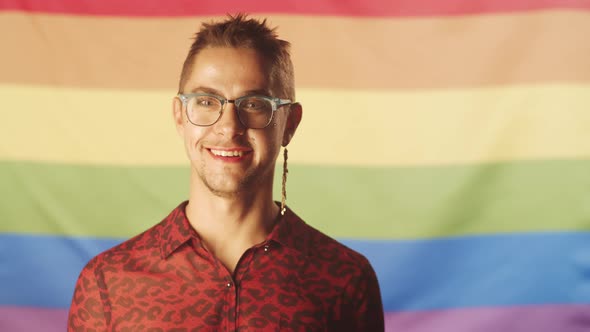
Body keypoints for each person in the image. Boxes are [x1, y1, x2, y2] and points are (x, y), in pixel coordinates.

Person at [68, 14, 384, 331]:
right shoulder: (107, 282)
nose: (229, 127)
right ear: (179, 116)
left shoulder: (344, 280)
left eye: (254, 104)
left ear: (290, 123)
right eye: (207, 101)